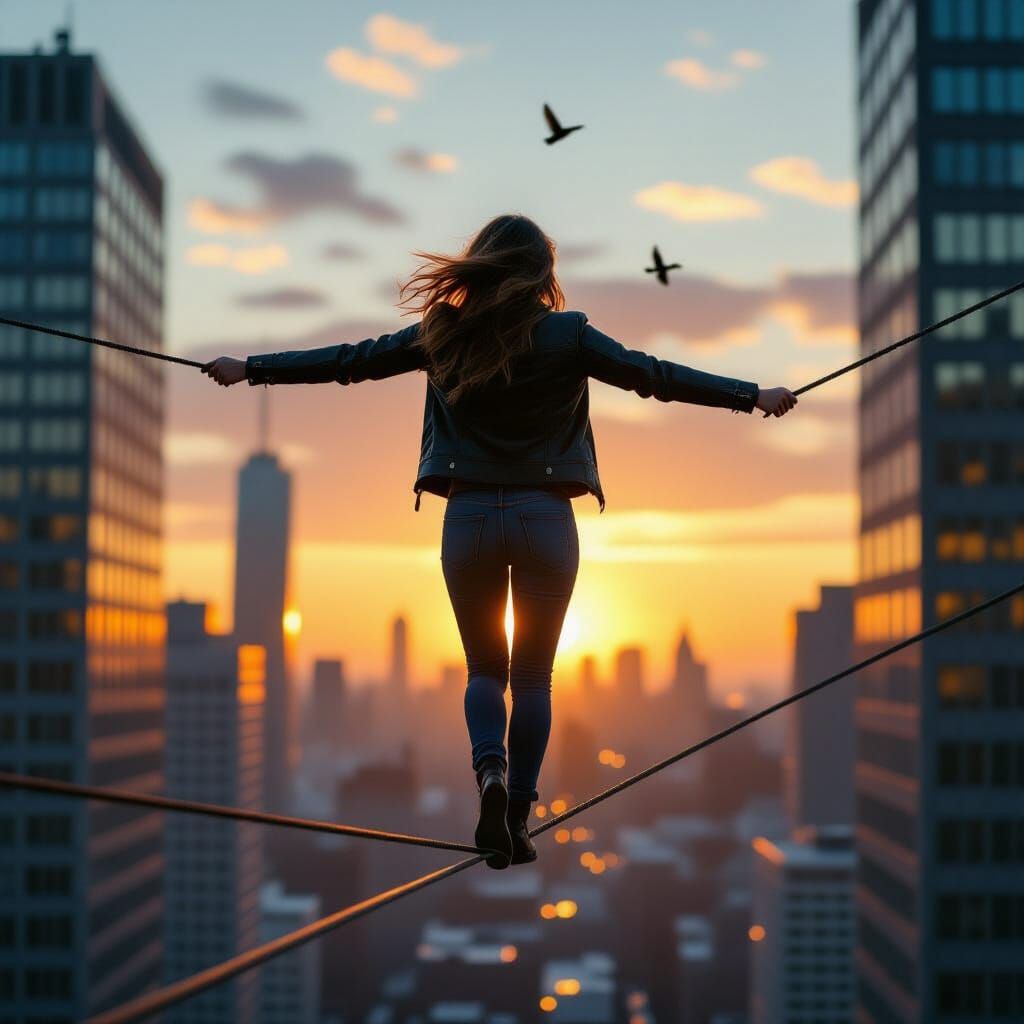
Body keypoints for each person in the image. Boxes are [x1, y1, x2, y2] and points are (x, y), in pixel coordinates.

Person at [202, 213, 797, 869]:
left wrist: (250, 368)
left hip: (470, 517)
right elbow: (653, 375)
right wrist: (754, 396)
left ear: (480, 264)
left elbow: (349, 363)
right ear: (543, 274)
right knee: (534, 677)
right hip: (545, 519)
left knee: (486, 670)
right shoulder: (569, 334)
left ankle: (488, 774)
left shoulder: (442, 334)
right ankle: (516, 814)